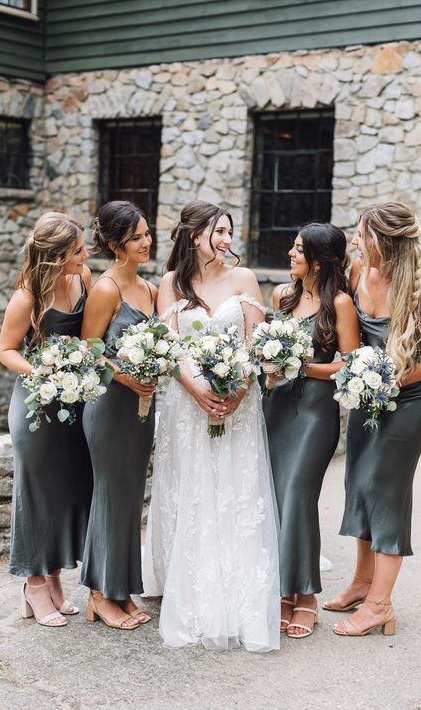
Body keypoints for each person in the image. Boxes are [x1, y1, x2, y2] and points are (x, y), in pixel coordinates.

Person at [143, 200, 280, 652]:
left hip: (237, 401)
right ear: (194, 234)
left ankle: (237, 591)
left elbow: (256, 343)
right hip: (187, 405)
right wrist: (196, 389)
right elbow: (170, 346)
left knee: (234, 492)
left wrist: (238, 390)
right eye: (218, 232)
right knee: (194, 490)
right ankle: (191, 582)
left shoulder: (243, 279)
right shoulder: (170, 282)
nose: (226, 240)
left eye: (229, 231)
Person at [325, 201, 421, 637]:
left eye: (363, 233)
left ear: (384, 240)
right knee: (359, 484)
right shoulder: (359, 272)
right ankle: (362, 584)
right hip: (367, 397)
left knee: (386, 492)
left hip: (409, 403)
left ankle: (381, 605)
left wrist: (397, 378)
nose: (356, 240)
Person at [262, 224, 360, 639]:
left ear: (318, 259)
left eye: (298, 249)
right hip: (276, 408)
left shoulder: (339, 303)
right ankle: (282, 592)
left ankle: (305, 596)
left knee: (299, 496)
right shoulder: (282, 296)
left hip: (315, 413)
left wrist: (302, 366)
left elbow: (350, 363)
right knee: (276, 498)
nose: (290, 253)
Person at [0, 212, 92, 627]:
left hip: (73, 407)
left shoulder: (84, 278)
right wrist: (39, 372)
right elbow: (6, 350)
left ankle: (52, 578)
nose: (85, 254)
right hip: (36, 406)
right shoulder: (27, 296)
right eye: (77, 250)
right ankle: (34, 583)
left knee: (64, 491)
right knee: (36, 494)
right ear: (56, 257)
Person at [80, 201, 157, 630]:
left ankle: (121, 588)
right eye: (136, 238)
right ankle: (98, 594)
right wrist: (126, 378)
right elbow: (88, 346)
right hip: (110, 406)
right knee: (110, 494)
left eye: (147, 234)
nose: (146, 242)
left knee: (129, 499)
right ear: (114, 244)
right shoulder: (106, 288)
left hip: (141, 410)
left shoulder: (147, 289)